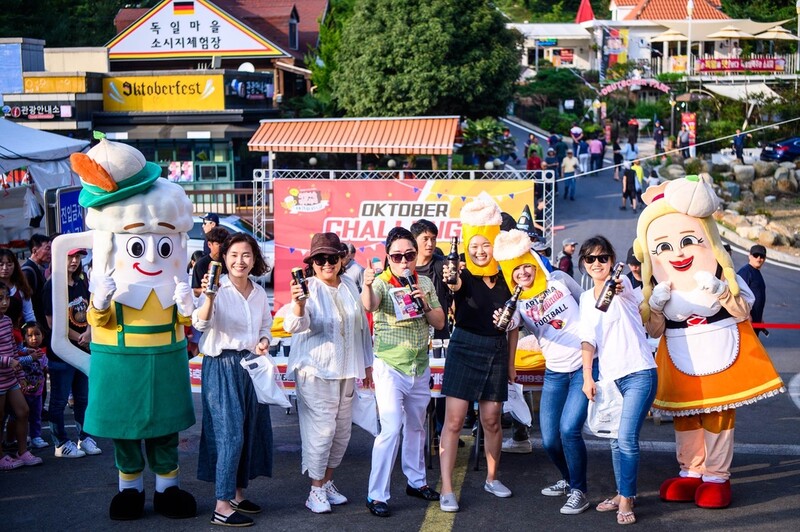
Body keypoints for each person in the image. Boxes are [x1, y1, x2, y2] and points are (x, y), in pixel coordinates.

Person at [67, 138, 197, 521]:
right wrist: (100, 304)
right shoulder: (108, 281)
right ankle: (130, 490)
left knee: (166, 431)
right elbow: (97, 321)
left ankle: (167, 488)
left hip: (166, 360)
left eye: (162, 245)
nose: (152, 257)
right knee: (124, 433)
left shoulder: (174, 283)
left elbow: (188, 321)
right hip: (121, 360)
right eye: (138, 246)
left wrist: (189, 309)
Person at [635, 175, 783, 509]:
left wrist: (721, 291)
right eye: (664, 247)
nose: (678, 253)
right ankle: (690, 470)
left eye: (688, 241)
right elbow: (655, 331)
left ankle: (716, 476)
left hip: (719, 346)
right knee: (686, 416)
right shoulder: (660, 289)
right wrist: (655, 305)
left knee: (717, 415)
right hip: (679, 351)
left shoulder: (723, 278)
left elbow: (744, 311)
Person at [494, 230, 597, 515]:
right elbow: (508, 327)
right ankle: (568, 479)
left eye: (526, 265)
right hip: (554, 371)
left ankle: (580, 490)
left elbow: (588, 306)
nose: (523, 272)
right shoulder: (517, 302)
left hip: (582, 365)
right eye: (515, 270)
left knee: (569, 430)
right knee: (550, 438)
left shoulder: (560, 281)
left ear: (534, 261)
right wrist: (510, 360)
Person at [284, 232, 373, 514]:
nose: (326, 264)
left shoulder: (349, 285)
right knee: (321, 432)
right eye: (319, 259)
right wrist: (298, 303)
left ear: (341, 259)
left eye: (331, 258)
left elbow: (362, 329)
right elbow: (293, 325)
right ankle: (315, 490)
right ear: (312, 262)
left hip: (346, 371)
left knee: (342, 433)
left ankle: (327, 483)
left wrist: (368, 366)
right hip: (315, 372)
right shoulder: (307, 288)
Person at [438, 196, 516, 512]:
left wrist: (511, 364)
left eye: (485, 246)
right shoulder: (464, 275)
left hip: (496, 350)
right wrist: (452, 277)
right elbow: (454, 284)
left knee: (492, 419)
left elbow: (513, 326)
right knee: (454, 420)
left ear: (495, 244)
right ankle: (446, 489)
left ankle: (493, 478)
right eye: (474, 247)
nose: (479, 252)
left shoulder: (510, 276)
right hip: (464, 346)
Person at [361, 226, 445, 518]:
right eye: (397, 256)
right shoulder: (382, 282)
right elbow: (369, 305)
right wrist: (367, 285)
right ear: (388, 257)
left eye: (409, 255)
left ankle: (416, 481)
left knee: (417, 426)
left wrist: (422, 300)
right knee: (391, 427)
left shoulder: (424, 283)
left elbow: (440, 321)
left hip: (419, 365)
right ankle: (376, 494)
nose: (404, 261)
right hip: (390, 366)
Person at [194, 233, 274, 527]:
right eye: (234, 255)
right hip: (221, 364)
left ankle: (238, 495)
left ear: (255, 259)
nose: (240, 261)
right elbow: (200, 324)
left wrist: (263, 341)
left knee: (250, 429)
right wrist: (209, 298)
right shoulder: (216, 288)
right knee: (229, 434)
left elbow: (266, 326)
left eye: (247, 255)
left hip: (250, 365)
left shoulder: (258, 291)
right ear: (224, 258)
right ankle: (221, 505)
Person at [578, 236, 658, 526]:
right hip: (609, 377)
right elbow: (587, 339)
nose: (597, 263)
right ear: (583, 264)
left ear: (612, 261)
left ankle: (626, 499)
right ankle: (623, 492)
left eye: (602, 258)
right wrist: (588, 376)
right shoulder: (586, 299)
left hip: (639, 372)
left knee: (625, 438)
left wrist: (618, 284)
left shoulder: (622, 287)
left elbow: (620, 290)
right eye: (590, 259)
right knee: (614, 440)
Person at [43, 248, 101, 458]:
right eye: (70, 257)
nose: (74, 261)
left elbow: (90, 311)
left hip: (83, 350)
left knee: (83, 398)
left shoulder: (80, 282)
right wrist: (79, 337)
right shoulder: (52, 285)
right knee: (58, 401)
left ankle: (84, 437)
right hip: (61, 353)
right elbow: (51, 322)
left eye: (77, 257)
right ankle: (60, 443)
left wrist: (88, 332)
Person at [0, 282, 42, 470]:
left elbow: (14, 351)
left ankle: (22, 451)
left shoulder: (8, 321)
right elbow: (10, 357)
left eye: (6, 298)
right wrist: (9, 362)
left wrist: (20, 375)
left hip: (11, 378)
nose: (4, 302)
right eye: (0, 298)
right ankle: (1, 457)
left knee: (23, 411)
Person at [19, 322, 49, 450]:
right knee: (21, 415)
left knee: (36, 415)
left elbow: (46, 368)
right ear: (24, 338)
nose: (34, 338)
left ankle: (36, 437)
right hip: (22, 392)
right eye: (30, 335)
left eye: (37, 334)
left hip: (37, 392)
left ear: (43, 336)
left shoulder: (43, 354)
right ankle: (22, 436)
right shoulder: (22, 354)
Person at [20, 234, 51, 340]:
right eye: (47, 248)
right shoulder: (28, 272)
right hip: (35, 331)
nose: (51, 252)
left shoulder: (38, 269)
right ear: (34, 250)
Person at [192, 226, 230, 297]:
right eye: (218, 244)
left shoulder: (230, 262)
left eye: (224, 244)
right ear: (209, 244)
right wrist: (208, 289)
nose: (222, 247)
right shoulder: (201, 264)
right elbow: (196, 291)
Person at [737, 245, 767, 336]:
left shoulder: (757, 273)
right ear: (749, 256)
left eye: (761, 256)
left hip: (755, 321)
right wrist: (747, 314)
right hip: (747, 321)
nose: (759, 259)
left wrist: (760, 317)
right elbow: (738, 294)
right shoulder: (745, 272)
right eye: (756, 255)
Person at [0, 249, 35, 327]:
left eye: (9, 265)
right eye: (1, 264)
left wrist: (32, 328)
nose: (5, 268)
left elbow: (29, 314)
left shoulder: (21, 287)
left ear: (15, 266)